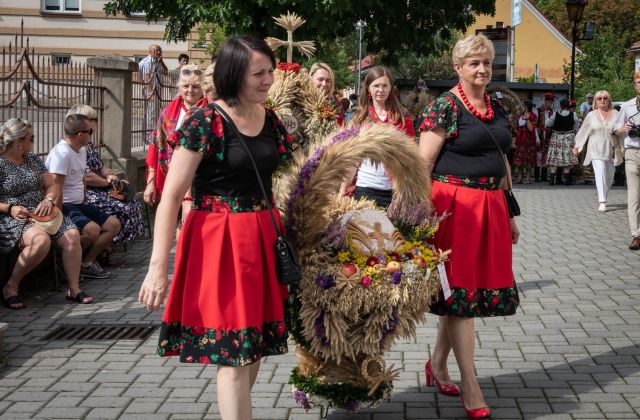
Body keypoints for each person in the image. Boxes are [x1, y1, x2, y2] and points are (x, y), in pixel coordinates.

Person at [139, 35, 294, 419]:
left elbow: (291, 175)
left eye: (270, 71)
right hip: (221, 243)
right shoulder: (204, 122)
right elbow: (170, 196)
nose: (268, 80)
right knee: (236, 354)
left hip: (262, 238)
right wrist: (159, 267)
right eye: (258, 73)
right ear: (233, 73)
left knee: (254, 345)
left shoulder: (270, 118)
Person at [417, 34, 520, 419]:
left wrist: (509, 213)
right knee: (461, 297)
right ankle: (470, 385)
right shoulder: (444, 107)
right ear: (457, 67)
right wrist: (417, 221)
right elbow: (422, 165)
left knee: (462, 296)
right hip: (453, 210)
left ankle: (437, 364)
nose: (481, 69)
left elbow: (503, 161)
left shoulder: (496, 106)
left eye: (486, 63)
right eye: (473, 63)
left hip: (491, 207)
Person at [1, 118, 93, 308]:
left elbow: (52, 185)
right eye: (31, 138)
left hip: (43, 212)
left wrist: (48, 199)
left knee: (72, 235)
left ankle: (74, 288)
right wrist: (10, 208)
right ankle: (11, 286)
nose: (33, 141)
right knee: (41, 241)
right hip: (15, 216)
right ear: (19, 142)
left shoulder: (32, 160)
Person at [45, 114, 121, 279]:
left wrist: (85, 197)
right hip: (64, 204)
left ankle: (86, 263)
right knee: (92, 230)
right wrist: (57, 216)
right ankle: (63, 259)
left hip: (79, 202)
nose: (91, 134)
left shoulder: (81, 150)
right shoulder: (62, 154)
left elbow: (82, 177)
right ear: (80, 134)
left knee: (113, 225)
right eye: (90, 131)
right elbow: (55, 187)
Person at [66, 104, 144, 246]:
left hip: (99, 187)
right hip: (89, 191)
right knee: (121, 208)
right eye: (92, 119)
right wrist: (108, 183)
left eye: (95, 119)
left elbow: (100, 165)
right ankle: (106, 247)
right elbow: (86, 177)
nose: (96, 123)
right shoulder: (75, 147)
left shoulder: (89, 145)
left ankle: (108, 245)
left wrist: (109, 175)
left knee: (132, 203)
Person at [339, 65, 415, 208]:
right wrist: (343, 189)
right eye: (376, 86)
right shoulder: (359, 119)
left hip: (395, 191)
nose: (380, 90)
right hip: (365, 188)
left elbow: (410, 158)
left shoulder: (403, 118)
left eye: (385, 86)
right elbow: (352, 158)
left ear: (391, 88)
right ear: (368, 88)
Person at [143, 63, 207, 208]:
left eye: (195, 86)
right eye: (186, 86)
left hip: (200, 185)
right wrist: (150, 183)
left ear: (202, 88)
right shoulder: (168, 111)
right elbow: (156, 145)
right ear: (179, 88)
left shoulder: (209, 111)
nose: (190, 90)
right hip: (171, 182)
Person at [573, 90, 619, 213]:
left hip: (611, 149)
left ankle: (604, 194)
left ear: (609, 100)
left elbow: (620, 131)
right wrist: (577, 146)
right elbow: (583, 131)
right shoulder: (591, 115)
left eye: (605, 98)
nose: (602, 100)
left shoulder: (615, 114)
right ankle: (602, 201)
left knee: (610, 176)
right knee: (601, 173)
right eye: (599, 98)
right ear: (595, 101)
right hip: (595, 149)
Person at [613, 71, 640, 250]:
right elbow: (615, 128)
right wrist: (623, 128)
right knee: (634, 196)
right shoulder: (628, 105)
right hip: (632, 153)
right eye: (638, 82)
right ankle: (636, 234)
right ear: (634, 84)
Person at [545, 99, 581, 186]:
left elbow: (548, 123)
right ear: (568, 106)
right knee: (567, 158)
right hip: (568, 137)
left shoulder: (555, 114)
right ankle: (566, 181)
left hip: (556, 137)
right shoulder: (573, 114)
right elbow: (577, 125)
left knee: (555, 158)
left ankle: (551, 181)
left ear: (561, 106)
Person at [138, 45, 169, 129]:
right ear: (150, 52)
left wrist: (161, 62)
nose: (158, 52)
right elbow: (147, 78)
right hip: (151, 91)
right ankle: (149, 135)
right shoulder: (148, 62)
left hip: (157, 91)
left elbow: (165, 72)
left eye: (160, 51)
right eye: (156, 51)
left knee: (155, 113)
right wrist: (150, 92)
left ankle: (153, 133)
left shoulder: (157, 62)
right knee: (150, 114)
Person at [512, 101, 537, 184]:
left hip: (529, 141)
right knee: (519, 160)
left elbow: (531, 129)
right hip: (520, 140)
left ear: (526, 107)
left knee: (528, 160)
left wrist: (527, 119)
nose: (521, 107)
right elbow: (516, 127)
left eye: (522, 106)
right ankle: (520, 176)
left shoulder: (533, 116)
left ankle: (527, 177)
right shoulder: (520, 115)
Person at [534, 93, 555, 182]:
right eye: (547, 102)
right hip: (539, 134)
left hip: (548, 136)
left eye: (550, 102)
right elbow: (534, 126)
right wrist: (537, 138)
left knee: (546, 156)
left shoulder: (552, 112)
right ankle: (536, 176)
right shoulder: (537, 111)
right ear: (544, 101)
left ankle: (544, 176)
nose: (549, 104)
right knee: (538, 155)